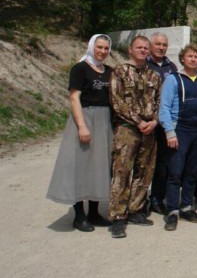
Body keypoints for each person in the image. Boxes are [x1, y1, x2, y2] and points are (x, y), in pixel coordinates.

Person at [46, 34, 114, 232]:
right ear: (91, 47)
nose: (102, 51)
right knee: (81, 166)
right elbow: (74, 98)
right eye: (99, 47)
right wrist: (82, 126)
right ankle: (79, 215)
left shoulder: (109, 71)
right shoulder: (80, 68)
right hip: (86, 118)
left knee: (100, 166)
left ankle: (94, 212)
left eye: (106, 48)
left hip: (104, 121)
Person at [107, 36, 161, 238]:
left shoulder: (154, 75)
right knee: (122, 171)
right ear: (130, 49)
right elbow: (116, 100)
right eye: (139, 47)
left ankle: (135, 209)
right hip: (128, 128)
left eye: (146, 48)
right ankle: (118, 217)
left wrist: (154, 121)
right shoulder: (119, 71)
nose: (143, 50)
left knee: (145, 171)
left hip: (149, 129)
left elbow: (159, 101)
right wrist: (138, 121)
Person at [159, 44, 197, 231]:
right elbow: (164, 107)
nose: (193, 59)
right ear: (183, 59)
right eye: (190, 56)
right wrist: (169, 132)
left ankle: (187, 206)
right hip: (179, 129)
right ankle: (172, 210)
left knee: (193, 171)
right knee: (175, 172)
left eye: (196, 57)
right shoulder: (173, 79)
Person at [147, 32, 178, 216]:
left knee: (163, 164)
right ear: (151, 45)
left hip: (164, 123)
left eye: (164, 44)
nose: (161, 47)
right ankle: (139, 200)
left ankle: (158, 198)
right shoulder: (144, 64)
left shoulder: (171, 67)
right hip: (145, 122)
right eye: (158, 44)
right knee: (144, 163)